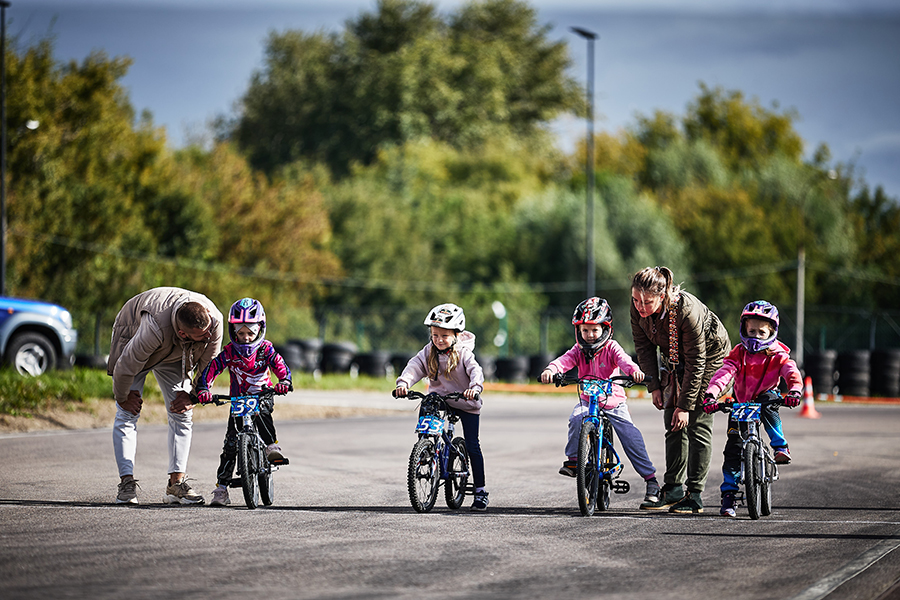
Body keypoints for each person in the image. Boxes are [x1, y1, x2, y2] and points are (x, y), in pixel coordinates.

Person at [539, 297, 661, 507]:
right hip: (588, 401)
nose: (589, 335)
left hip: (614, 402)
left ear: (605, 329)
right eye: (584, 330)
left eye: (594, 330)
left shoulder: (611, 348)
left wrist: (635, 373)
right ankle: (575, 460)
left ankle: (651, 480)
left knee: (631, 436)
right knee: (577, 418)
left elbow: (625, 360)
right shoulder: (578, 350)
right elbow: (564, 360)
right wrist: (551, 370)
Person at [108, 287, 224, 505]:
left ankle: (175, 486)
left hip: (177, 354)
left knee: (183, 414)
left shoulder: (214, 321)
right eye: (202, 335)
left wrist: (193, 396)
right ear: (183, 333)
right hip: (134, 338)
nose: (208, 336)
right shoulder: (151, 330)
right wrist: (123, 396)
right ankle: (126, 483)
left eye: (208, 330)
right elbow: (124, 366)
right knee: (127, 412)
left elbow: (210, 366)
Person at [630, 266, 731, 514]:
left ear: (662, 296)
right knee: (672, 422)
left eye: (647, 301)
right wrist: (653, 385)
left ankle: (694, 494)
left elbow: (697, 361)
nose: (640, 306)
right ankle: (673, 488)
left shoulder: (686, 311)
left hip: (710, 360)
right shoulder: (638, 309)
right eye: (635, 300)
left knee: (695, 421)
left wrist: (685, 406)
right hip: (675, 359)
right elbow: (643, 348)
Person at [701, 300, 803, 517]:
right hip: (740, 401)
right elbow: (725, 373)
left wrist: (794, 390)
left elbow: (790, 370)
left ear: (772, 332)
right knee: (733, 449)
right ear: (744, 329)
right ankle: (729, 494)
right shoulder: (738, 353)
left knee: (769, 405)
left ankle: (780, 447)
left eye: (761, 332)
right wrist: (711, 394)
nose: (756, 336)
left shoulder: (778, 353)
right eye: (752, 331)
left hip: (766, 398)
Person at [195, 298, 293, 507]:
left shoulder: (266, 350)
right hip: (238, 400)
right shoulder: (230, 352)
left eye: (250, 333)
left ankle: (270, 446)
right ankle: (221, 489)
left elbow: (280, 365)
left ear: (260, 330)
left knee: (264, 415)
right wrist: (204, 389)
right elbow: (213, 368)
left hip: (262, 395)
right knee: (230, 444)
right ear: (233, 331)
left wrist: (284, 381)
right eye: (240, 333)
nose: (246, 338)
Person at [394, 303, 488, 512]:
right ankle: (426, 450)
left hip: (465, 401)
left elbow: (476, 372)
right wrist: (404, 384)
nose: (438, 340)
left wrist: (474, 388)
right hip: (439, 400)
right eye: (435, 335)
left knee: (472, 445)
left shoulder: (464, 353)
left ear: (456, 334)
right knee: (426, 412)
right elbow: (415, 366)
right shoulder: (429, 351)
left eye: (444, 336)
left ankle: (480, 492)